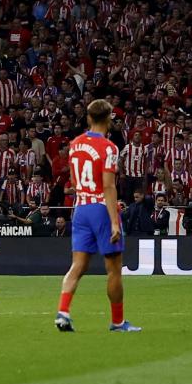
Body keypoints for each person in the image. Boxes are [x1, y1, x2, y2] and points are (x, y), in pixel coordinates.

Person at [56, 100, 141, 333]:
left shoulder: (75, 144)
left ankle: (63, 312)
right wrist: (114, 220)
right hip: (101, 209)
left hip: (80, 208)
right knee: (113, 268)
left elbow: (73, 182)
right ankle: (118, 322)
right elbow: (108, 186)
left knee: (78, 265)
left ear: (88, 118)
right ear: (110, 119)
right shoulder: (109, 148)